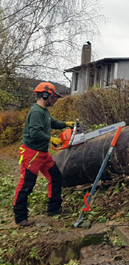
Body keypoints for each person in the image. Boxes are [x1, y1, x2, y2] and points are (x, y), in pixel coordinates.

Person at [13, 82, 75, 227]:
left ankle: (54, 208)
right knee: (26, 185)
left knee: (56, 177)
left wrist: (66, 123)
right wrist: (50, 138)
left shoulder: (44, 111)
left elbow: (52, 123)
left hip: (43, 153)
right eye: (53, 97)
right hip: (32, 153)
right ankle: (20, 217)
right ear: (45, 95)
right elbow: (35, 133)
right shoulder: (36, 112)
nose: (54, 100)